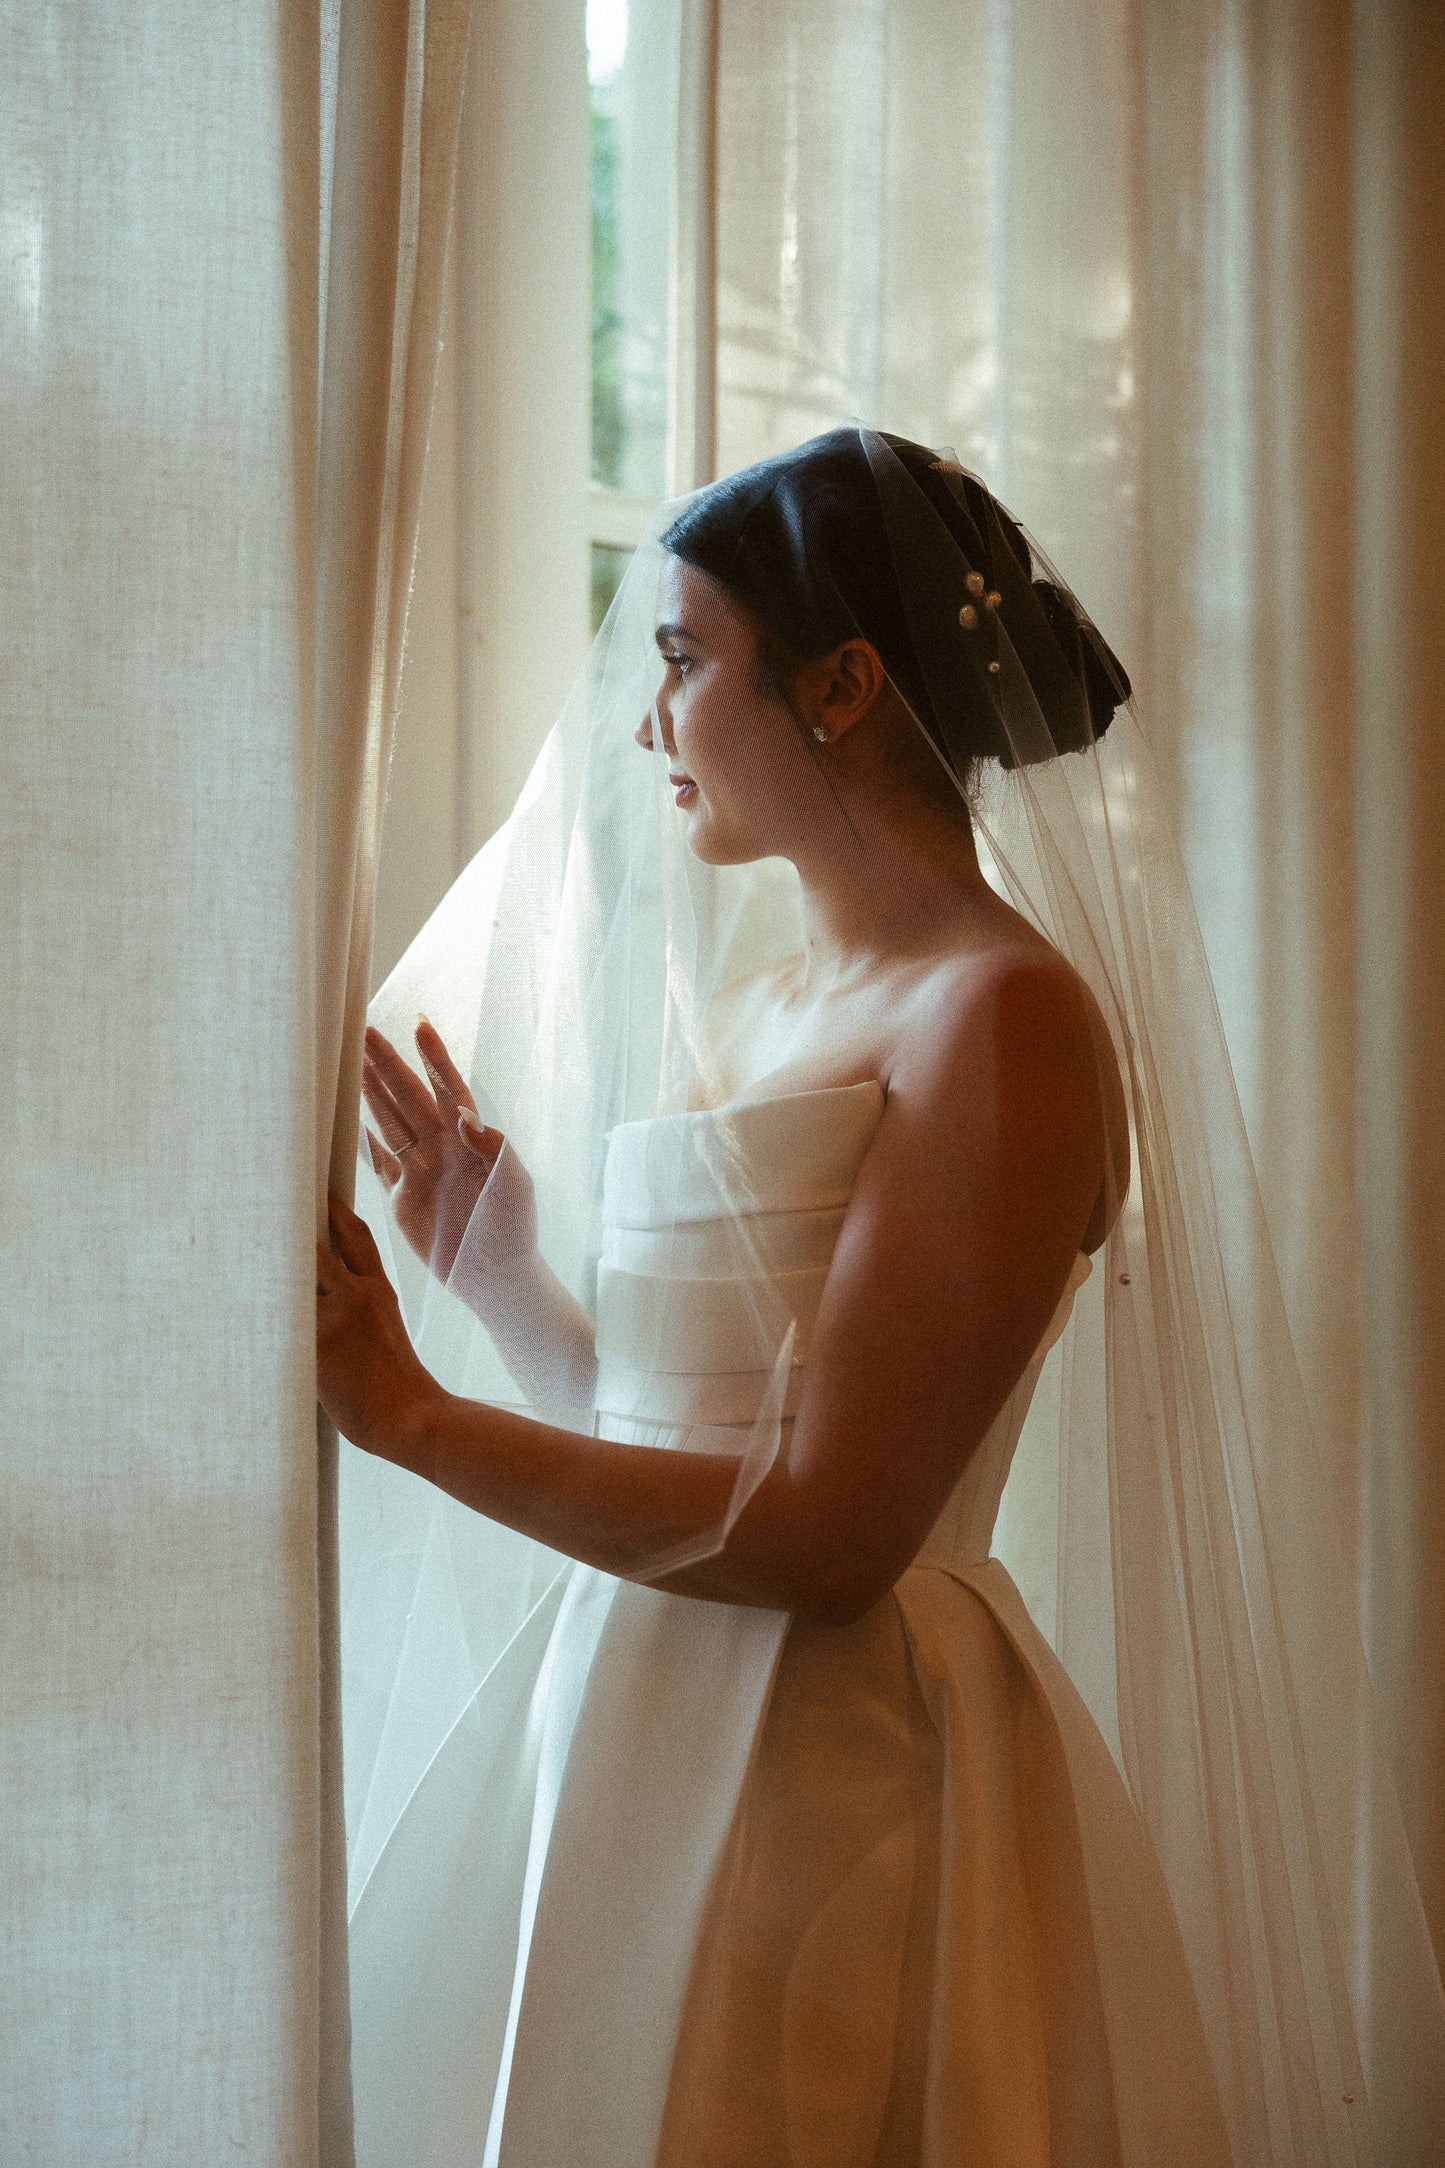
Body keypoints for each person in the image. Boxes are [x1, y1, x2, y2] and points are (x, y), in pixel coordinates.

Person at [318, 430, 1445, 2167]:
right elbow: (680, 1448)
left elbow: (835, 1529)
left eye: (683, 664)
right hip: (623, 1728)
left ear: (838, 683)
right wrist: (500, 1280)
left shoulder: (998, 1022)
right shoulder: (768, 1005)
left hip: (827, 1787)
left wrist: (409, 1418)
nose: (645, 724)